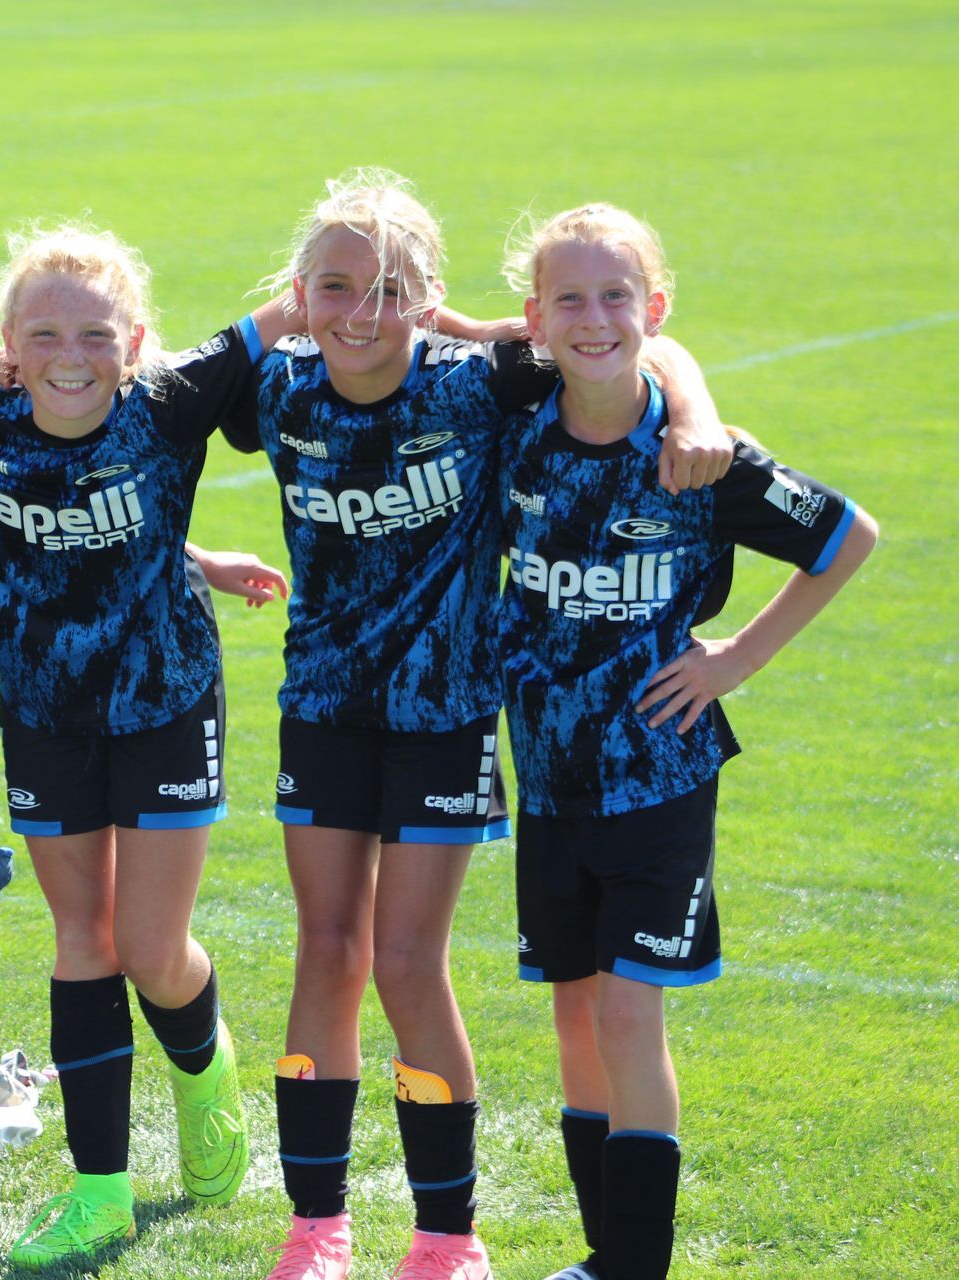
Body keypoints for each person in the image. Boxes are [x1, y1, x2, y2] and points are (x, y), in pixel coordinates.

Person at [219, 171, 733, 1280]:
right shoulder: (275, 391)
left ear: (433, 297)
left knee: (408, 961)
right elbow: (139, 389)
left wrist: (691, 407)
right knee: (326, 950)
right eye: (335, 287)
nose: (360, 311)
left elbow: (628, 338)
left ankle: (447, 1235)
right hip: (321, 709)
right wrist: (292, 307)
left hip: (449, 717)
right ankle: (317, 1228)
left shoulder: (481, 382)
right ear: (300, 295)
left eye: (390, 288)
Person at [496, 204, 875, 1280]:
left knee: (626, 1009)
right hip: (550, 778)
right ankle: (603, 1250)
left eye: (617, 296)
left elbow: (848, 538)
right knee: (573, 1009)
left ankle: (638, 1265)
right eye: (568, 298)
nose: (594, 317)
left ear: (654, 309)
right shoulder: (514, 425)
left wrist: (734, 662)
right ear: (536, 318)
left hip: (661, 778)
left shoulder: (701, 458)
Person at [0, 224, 298, 1270]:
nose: (72, 353)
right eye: (45, 332)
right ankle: (99, 1186)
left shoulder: (171, 402)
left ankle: (204, 1073)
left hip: (166, 703)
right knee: (81, 940)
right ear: (5, 345)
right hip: (47, 714)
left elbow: (294, 309)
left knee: (152, 947)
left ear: (136, 339)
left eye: (96, 333)